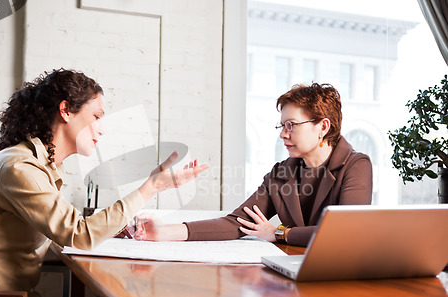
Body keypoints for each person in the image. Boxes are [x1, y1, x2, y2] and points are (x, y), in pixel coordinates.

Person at [0, 69, 208, 297]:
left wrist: (121, 228)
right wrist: (149, 188)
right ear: (66, 111)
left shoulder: (38, 166)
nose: (101, 129)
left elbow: (69, 224)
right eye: (96, 116)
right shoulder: (20, 167)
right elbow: (78, 234)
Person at [132, 83, 372, 246]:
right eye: (282, 126)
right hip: (295, 273)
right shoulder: (282, 173)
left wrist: (280, 233)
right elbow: (237, 223)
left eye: (291, 125)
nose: (283, 135)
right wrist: (165, 231)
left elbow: (346, 232)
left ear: (323, 127)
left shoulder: (356, 165)